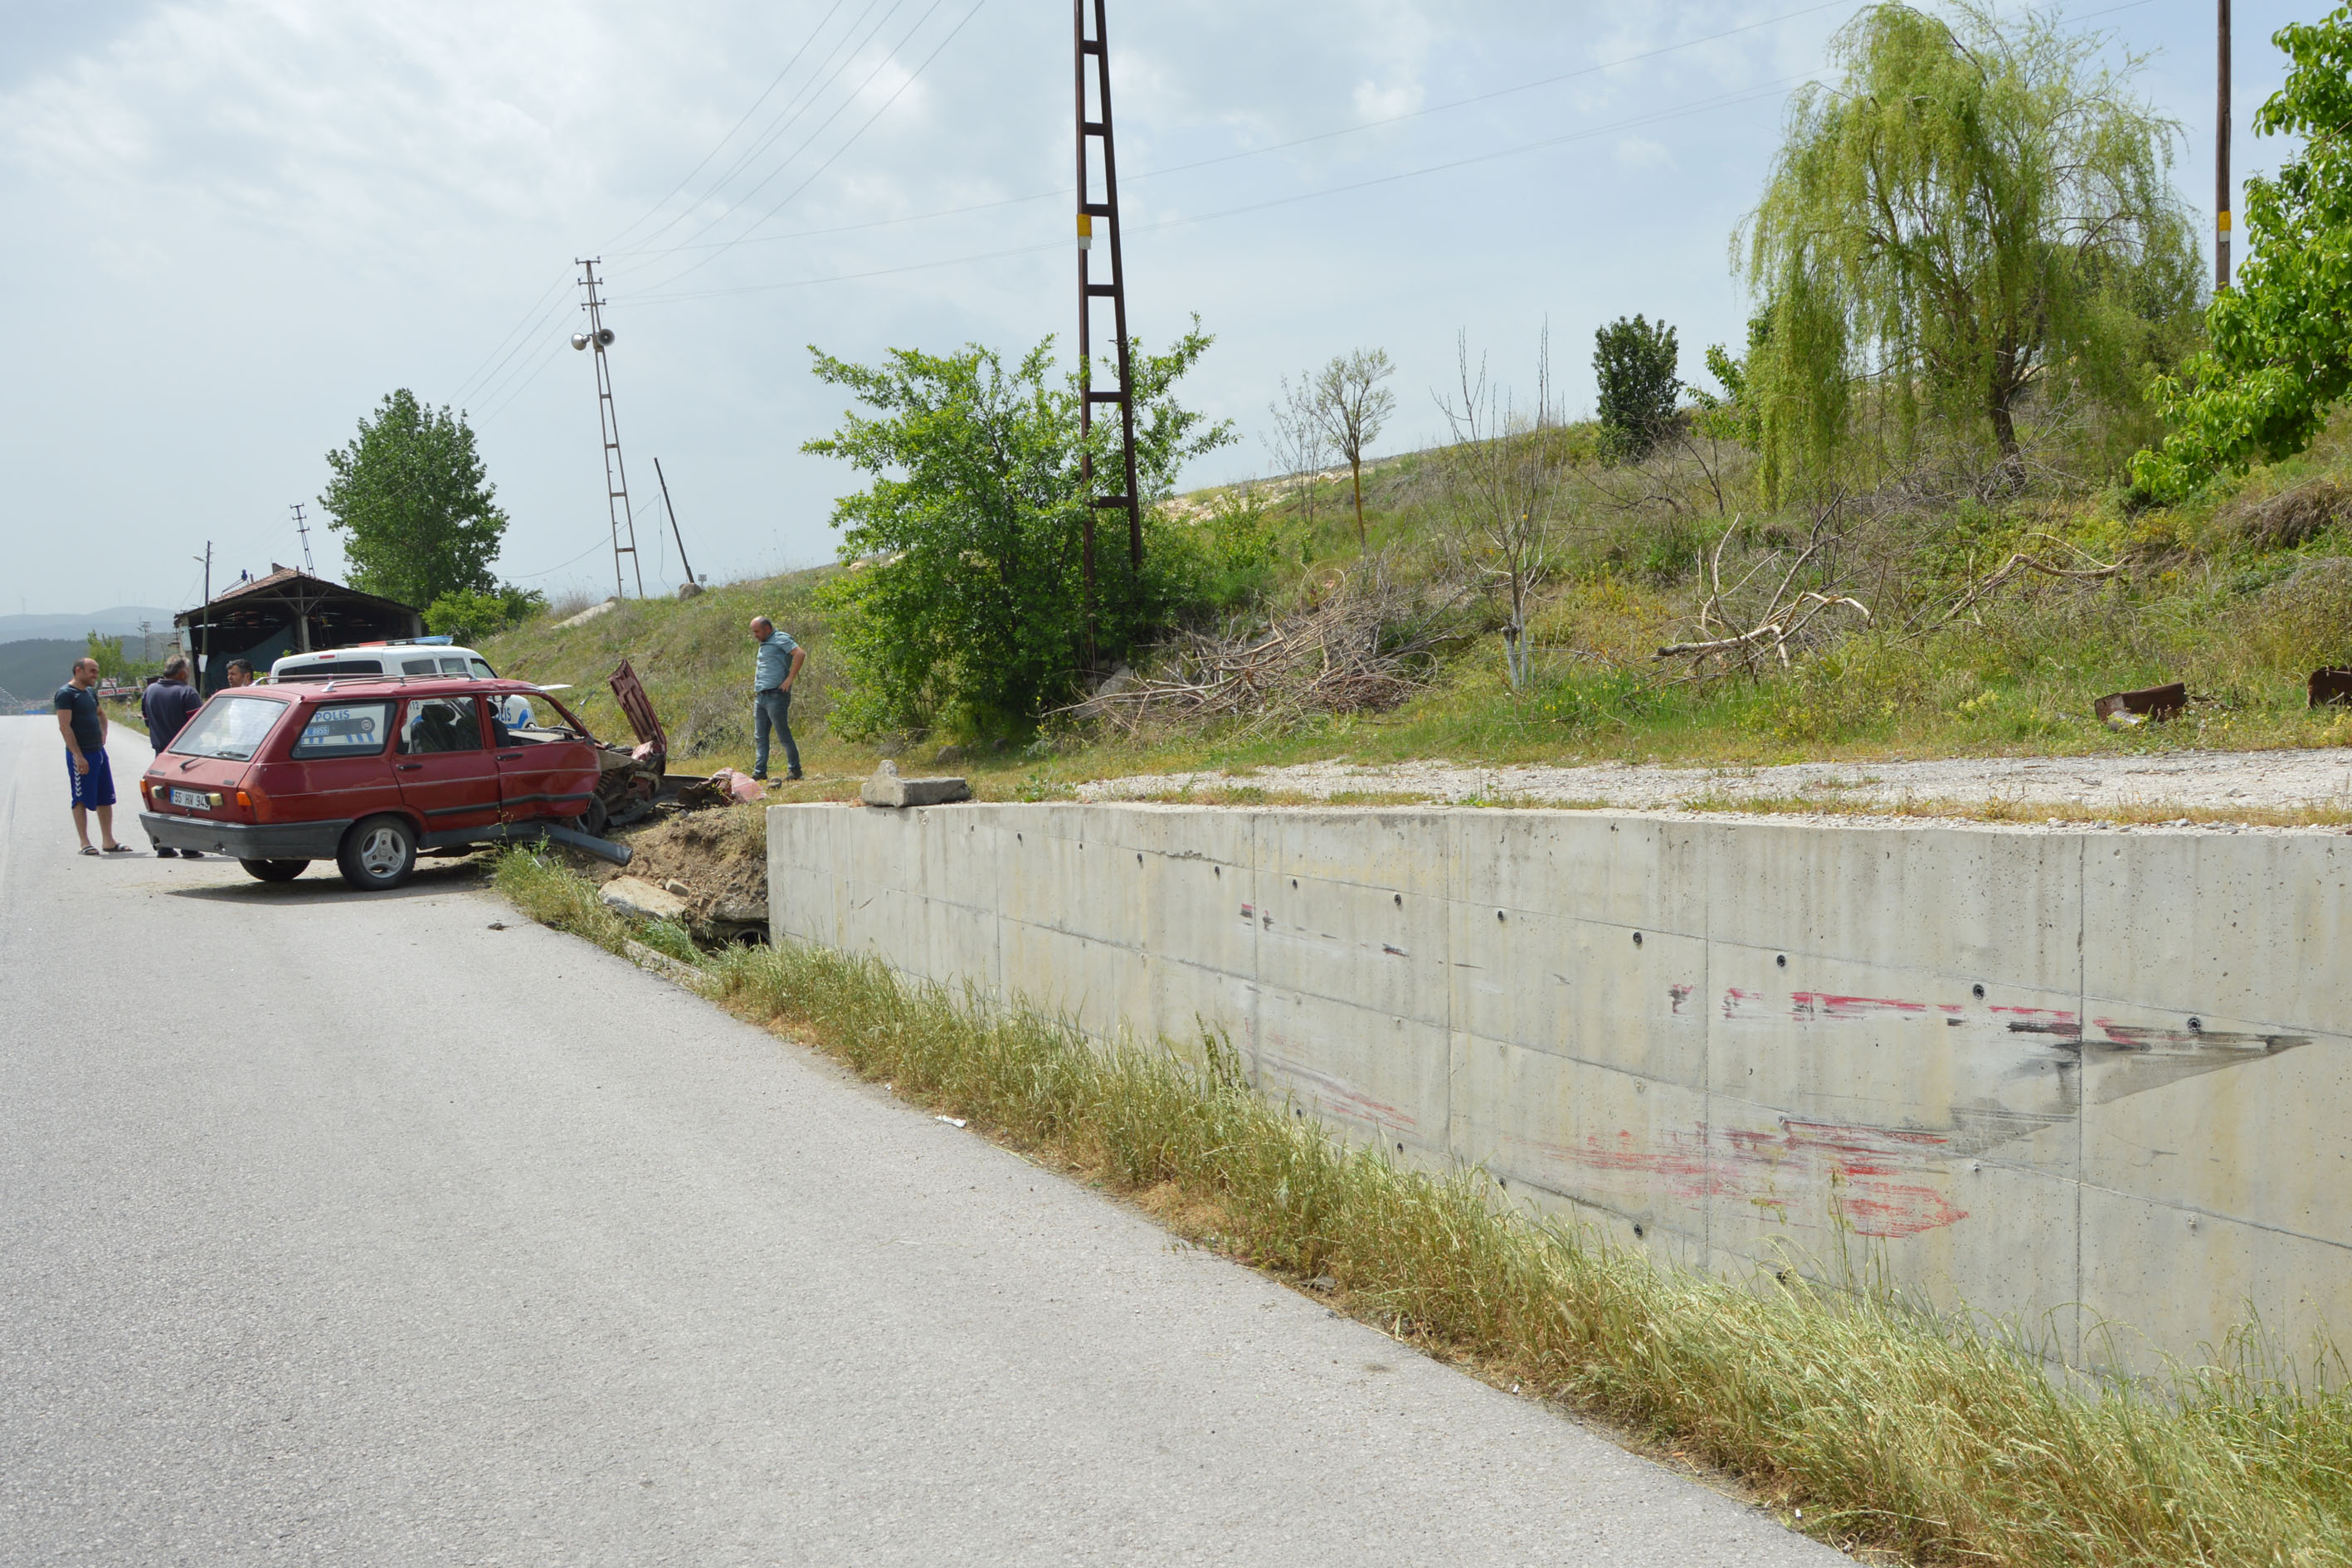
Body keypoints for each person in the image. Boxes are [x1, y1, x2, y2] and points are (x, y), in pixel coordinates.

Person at [55, 657, 130, 855]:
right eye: (92, 671)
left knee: (105, 796)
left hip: (98, 752)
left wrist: (104, 732)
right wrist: (78, 756)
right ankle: (84, 842)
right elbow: (65, 726)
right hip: (81, 753)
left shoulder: (89, 692)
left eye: (96, 671)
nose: (96, 675)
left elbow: (100, 714)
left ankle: (108, 840)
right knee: (80, 798)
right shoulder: (65, 694)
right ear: (78, 671)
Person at [139, 658, 210, 859]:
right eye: (187, 670)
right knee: (190, 801)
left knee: (162, 799)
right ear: (182, 673)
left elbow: (147, 721)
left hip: (160, 754)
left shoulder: (150, 691)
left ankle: (164, 845)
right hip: (187, 757)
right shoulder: (187, 693)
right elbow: (198, 726)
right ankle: (189, 845)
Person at [750, 615, 805, 782]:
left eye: (758, 631)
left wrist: (790, 678)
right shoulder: (764, 643)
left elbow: (800, 653)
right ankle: (760, 772)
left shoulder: (780, 638)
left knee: (783, 734)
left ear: (767, 628)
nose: (755, 635)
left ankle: (795, 770)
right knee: (760, 736)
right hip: (762, 695)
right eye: (753, 632)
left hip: (776, 695)